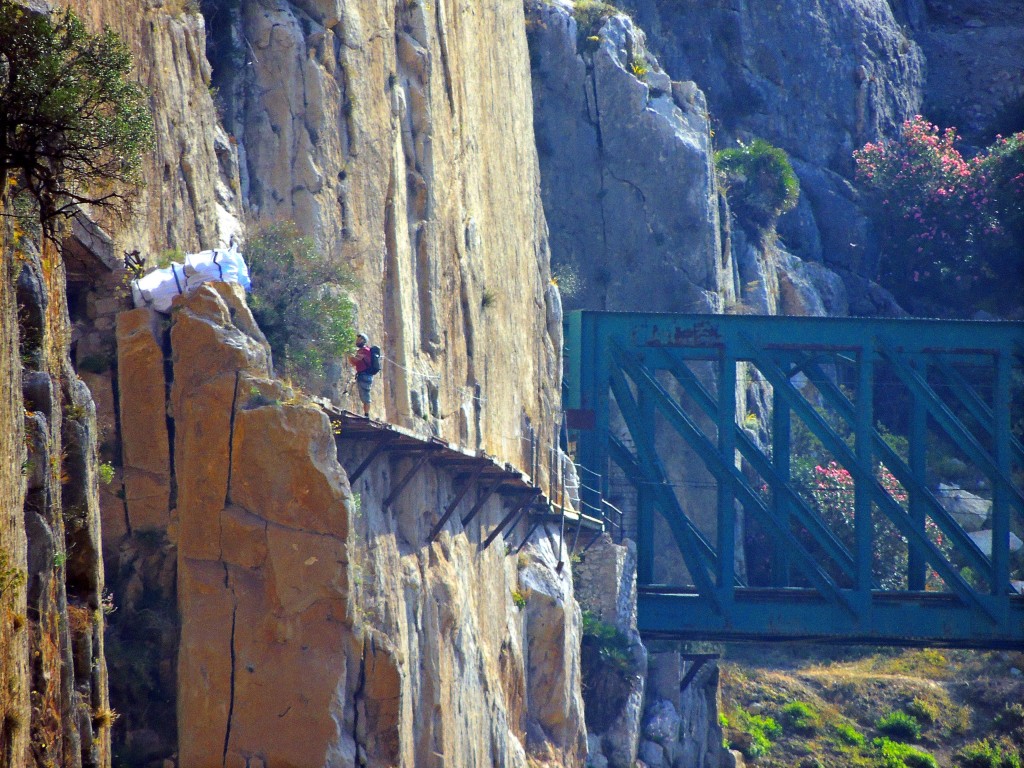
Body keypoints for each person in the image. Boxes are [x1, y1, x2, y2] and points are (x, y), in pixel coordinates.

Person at [349, 332, 374, 417]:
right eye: (357, 339)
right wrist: (350, 356)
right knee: (363, 395)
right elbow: (354, 363)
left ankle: (367, 415)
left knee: (365, 396)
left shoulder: (365, 350)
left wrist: (349, 354)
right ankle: (366, 414)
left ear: (363, 341)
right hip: (361, 375)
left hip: (365, 375)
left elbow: (356, 359)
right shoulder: (360, 351)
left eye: (359, 340)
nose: (357, 341)